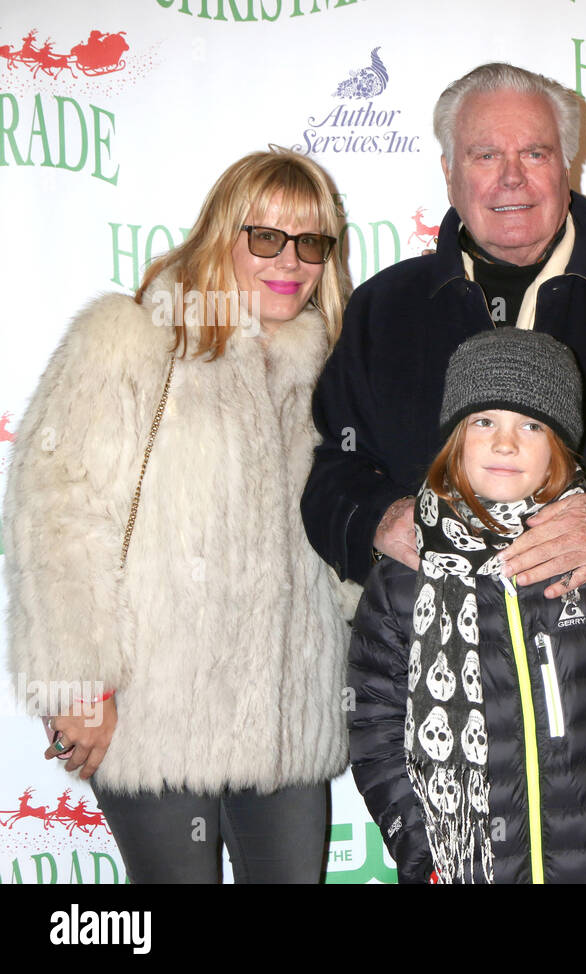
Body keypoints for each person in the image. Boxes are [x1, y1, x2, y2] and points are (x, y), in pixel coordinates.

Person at [4, 149, 353, 883]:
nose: (290, 260)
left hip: (286, 719)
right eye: (266, 236)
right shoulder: (131, 340)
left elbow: (338, 544)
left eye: (311, 242)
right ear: (221, 233)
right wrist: (75, 684)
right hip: (153, 710)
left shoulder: (327, 371)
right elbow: (57, 510)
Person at [301, 62, 586, 600]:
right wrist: (381, 519)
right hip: (424, 663)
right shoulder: (382, 307)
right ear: (449, 172)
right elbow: (333, 469)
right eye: (486, 155)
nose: (511, 177)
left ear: (567, 166)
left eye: (534, 154)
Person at [347, 328, 586, 883]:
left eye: (531, 425)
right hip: (462, 866)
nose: (505, 443)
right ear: (455, 441)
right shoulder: (403, 579)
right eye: (484, 422)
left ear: (560, 447)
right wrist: (422, 845)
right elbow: (374, 724)